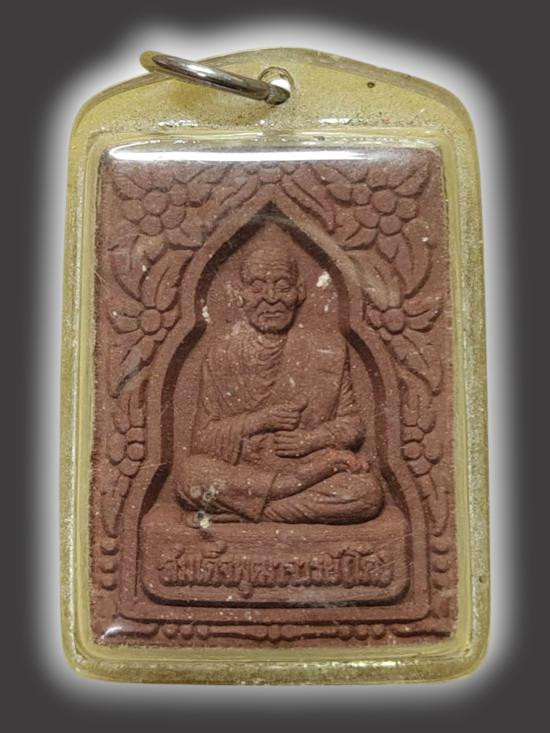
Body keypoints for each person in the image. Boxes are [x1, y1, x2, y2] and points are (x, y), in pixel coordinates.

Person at [174, 222, 383, 523]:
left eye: (283, 286)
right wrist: (261, 420)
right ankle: (276, 496)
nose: (270, 298)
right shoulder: (222, 354)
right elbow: (204, 440)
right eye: (258, 287)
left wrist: (310, 440)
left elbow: (352, 425)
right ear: (241, 295)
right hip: (248, 474)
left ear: (299, 292)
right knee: (189, 474)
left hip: (308, 467)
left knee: (366, 493)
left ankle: (245, 510)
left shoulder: (328, 351)